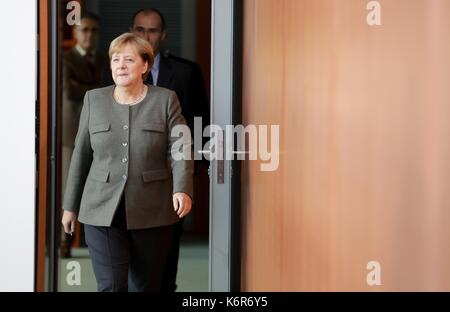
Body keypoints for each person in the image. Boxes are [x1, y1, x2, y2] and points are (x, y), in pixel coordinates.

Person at [61, 32, 194, 292]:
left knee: (144, 287)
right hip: (101, 210)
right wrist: (70, 207)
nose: (120, 65)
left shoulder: (165, 99)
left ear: (145, 65)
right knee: (111, 285)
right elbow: (81, 155)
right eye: (115, 59)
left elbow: (180, 148)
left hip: (152, 211)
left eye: (129, 60)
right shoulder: (93, 99)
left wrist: (182, 188)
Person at [130, 7, 209, 292]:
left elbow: (200, 120)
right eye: (140, 29)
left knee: (165, 250)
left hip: (170, 173)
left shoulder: (186, 72)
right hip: (130, 173)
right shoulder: (117, 70)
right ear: (132, 32)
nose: (145, 36)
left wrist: (196, 166)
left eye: (152, 30)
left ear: (162, 35)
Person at [61, 11, 109, 258]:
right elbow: (69, 91)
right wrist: (98, 91)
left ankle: (95, 240)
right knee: (70, 186)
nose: (89, 34)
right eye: (84, 29)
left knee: (98, 186)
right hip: (71, 134)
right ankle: (64, 242)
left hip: (101, 132)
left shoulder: (104, 60)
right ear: (75, 32)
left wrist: (88, 89)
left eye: (94, 30)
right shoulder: (63, 59)